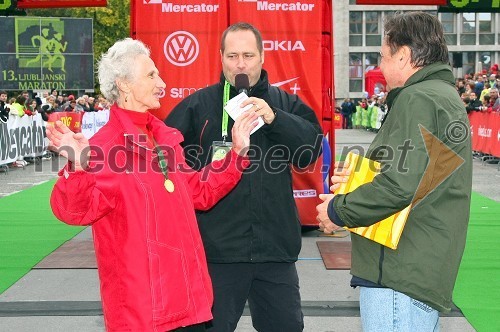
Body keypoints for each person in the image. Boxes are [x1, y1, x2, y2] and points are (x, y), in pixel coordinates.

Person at [47, 38, 258, 332]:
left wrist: (236, 153)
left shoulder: (165, 139)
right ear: (124, 85)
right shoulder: (103, 148)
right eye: (150, 75)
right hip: (142, 312)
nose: (162, 81)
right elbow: (73, 211)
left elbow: (199, 192)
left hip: (188, 302)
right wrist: (79, 166)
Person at [316, 12, 472, 332]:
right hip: (416, 263)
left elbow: (398, 185)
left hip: (400, 270)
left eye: (383, 57)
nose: (379, 67)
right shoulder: (438, 95)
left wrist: (337, 210)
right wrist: (361, 178)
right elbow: (422, 176)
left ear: (404, 56)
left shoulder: (418, 97)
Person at [165, 22, 322, 332]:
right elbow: (165, 163)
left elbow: (310, 152)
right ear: (221, 57)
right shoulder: (198, 106)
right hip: (217, 254)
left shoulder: (285, 103)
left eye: (248, 55)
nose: (240, 64)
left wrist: (275, 119)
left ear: (263, 57)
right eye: (233, 55)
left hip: (275, 252)